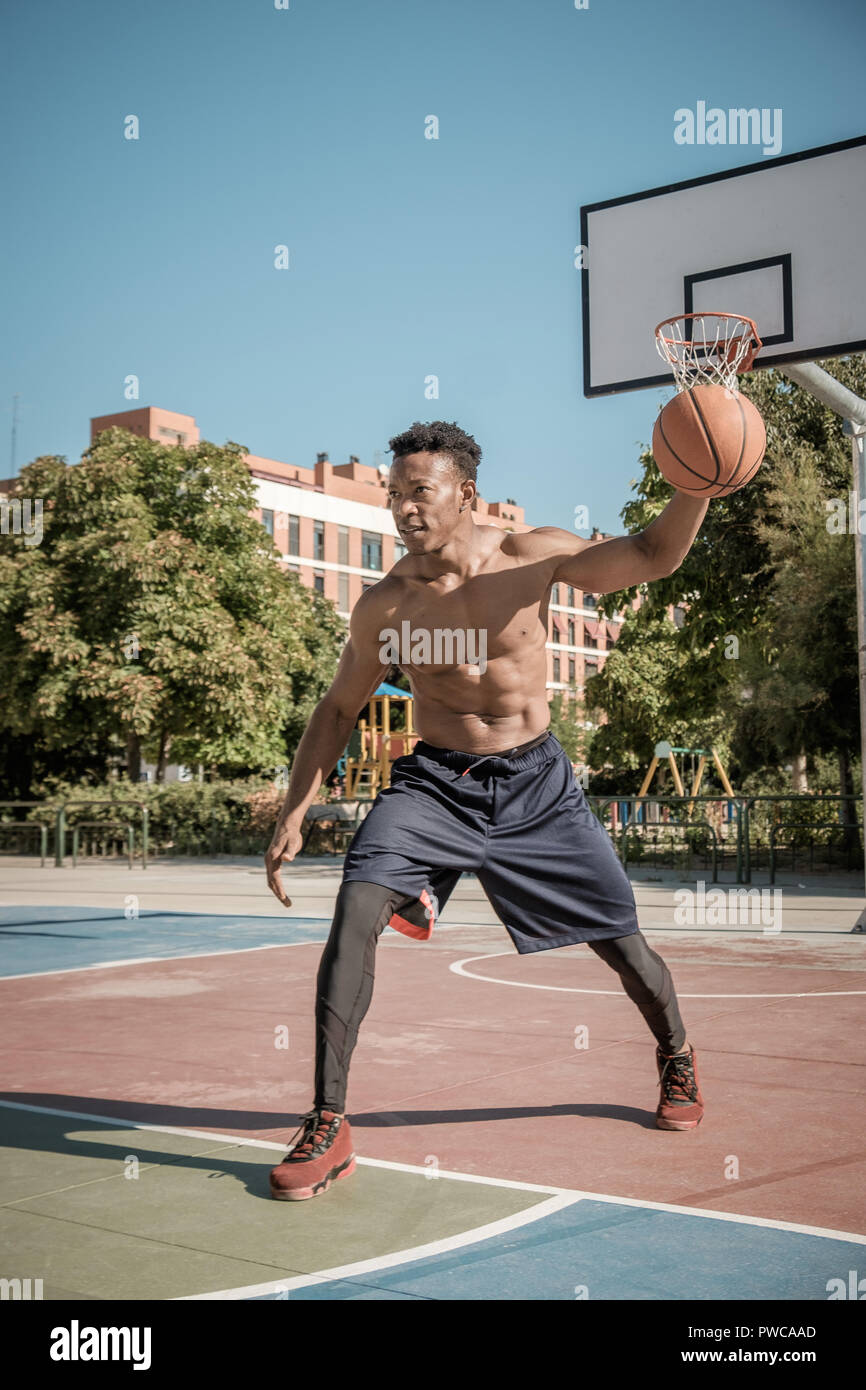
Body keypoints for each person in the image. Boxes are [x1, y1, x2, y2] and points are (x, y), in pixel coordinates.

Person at [265, 421, 705, 1201]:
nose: (402, 507)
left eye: (418, 491)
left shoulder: (527, 557)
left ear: (464, 493)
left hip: (537, 784)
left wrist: (695, 487)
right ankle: (329, 1121)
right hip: (434, 784)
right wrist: (296, 807)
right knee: (356, 904)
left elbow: (651, 555)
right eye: (393, 493)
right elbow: (337, 710)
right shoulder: (386, 605)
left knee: (621, 942)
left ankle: (676, 1055)